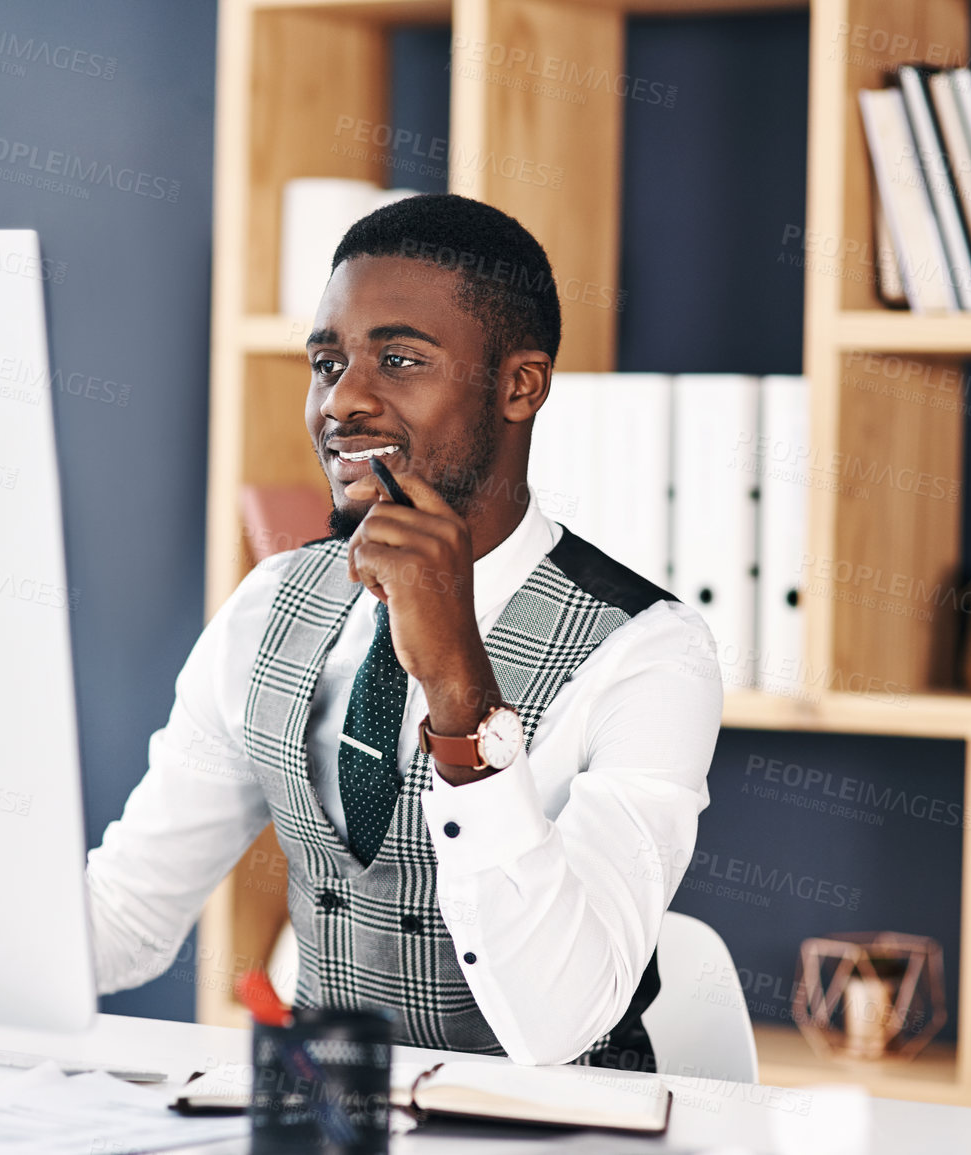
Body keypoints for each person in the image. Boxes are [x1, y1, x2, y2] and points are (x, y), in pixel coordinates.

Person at [87, 193, 722, 1069]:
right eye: (326, 361)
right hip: (321, 1120)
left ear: (518, 385)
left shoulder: (648, 650)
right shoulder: (271, 600)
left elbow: (561, 1021)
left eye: (397, 358)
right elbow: (125, 916)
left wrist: (462, 692)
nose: (341, 401)